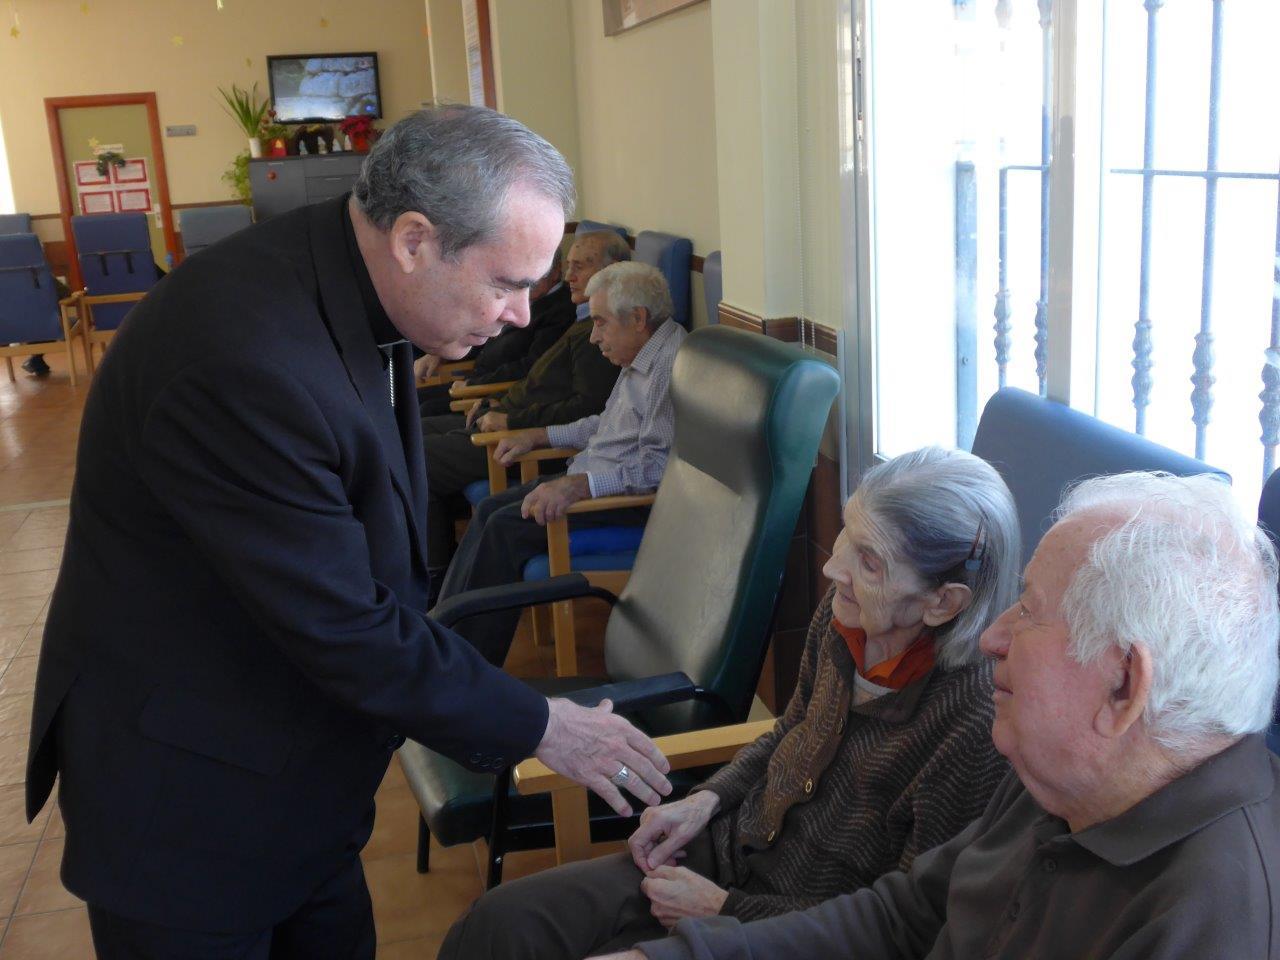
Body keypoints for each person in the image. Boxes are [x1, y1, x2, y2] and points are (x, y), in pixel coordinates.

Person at [24, 105, 673, 960]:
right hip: (191, 803)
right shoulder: (240, 353)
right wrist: (546, 726)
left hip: (293, 783)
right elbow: (341, 621)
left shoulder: (347, 279)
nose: (522, 315)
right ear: (414, 240)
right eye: (507, 283)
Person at [599, 471, 1280, 960]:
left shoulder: (1215, 917)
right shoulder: (1059, 775)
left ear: (1124, 684)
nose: (994, 638)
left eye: (1030, 611)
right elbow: (905, 915)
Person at [439, 447, 1020, 959]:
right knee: (500, 926)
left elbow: (905, 926)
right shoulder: (847, 620)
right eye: (847, 533)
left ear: (944, 603)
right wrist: (706, 800)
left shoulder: (974, 723)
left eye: (869, 561)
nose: (832, 567)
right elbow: (790, 729)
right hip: (721, 853)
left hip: (789, 931)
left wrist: (727, 910)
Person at [437, 260, 686, 667]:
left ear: (638, 318)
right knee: (488, 508)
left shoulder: (668, 366)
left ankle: (466, 664)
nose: (593, 337)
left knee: (504, 529)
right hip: (588, 482)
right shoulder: (639, 354)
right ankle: (445, 637)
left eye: (601, 323)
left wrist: (578, 486)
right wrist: (540, 435)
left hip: (622, 505)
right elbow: (604, 423)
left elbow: (654, 470)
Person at [422, 230, 629, 570]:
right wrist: (495, 401)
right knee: (417, 435)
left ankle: (430, 577)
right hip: (509, 423)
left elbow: (589, 410)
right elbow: (537, 379)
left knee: (420, 459)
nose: (570, 275)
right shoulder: (584, 319)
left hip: (532, 445)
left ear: (614, 270)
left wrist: (512, 420)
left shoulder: (604, 332)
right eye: (569, 266)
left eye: (582, 267)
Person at [414, 245, 576, 416]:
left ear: (557, 271)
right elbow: (487, 335)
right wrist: (444, 354)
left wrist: (473, 385)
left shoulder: (561, 309)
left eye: (537, 271)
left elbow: (531, 367)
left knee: (424, 409)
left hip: (495, 390)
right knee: (414, 397)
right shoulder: (527, 296)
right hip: (476, 379)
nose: (526, 278)